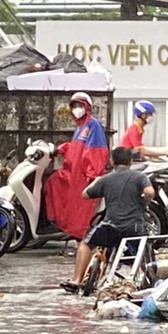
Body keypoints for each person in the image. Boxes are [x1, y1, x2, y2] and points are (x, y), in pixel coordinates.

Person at [68, 145, 157, 291]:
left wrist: (96, 181)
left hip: (111, 226)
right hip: (134, 227)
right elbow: (149, 192)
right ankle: (152, 280)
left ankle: (77, 280)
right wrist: (143, 203)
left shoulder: (105, 179)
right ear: (130, 161)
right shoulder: (140, 177)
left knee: (86, 244)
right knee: (144, 249)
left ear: (112, 161)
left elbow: (85, 194)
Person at [42, 91, 109, 244]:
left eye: (80, 106)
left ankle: (82, 236)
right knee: (52, 184)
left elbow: (95, 152)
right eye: (74, 106)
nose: (77, 109)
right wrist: (60, 150)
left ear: (87, 107)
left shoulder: (92, 125)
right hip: (72, 172)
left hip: (82, 175)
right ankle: (58, 226)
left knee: (81, 208)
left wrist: (92, 175)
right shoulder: (80, 127)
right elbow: (75, 147)